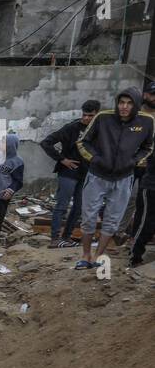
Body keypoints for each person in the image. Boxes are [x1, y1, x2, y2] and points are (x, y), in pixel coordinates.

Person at [74, 86, 155, 270]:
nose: (124, 107)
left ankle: (99, 255)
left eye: (128, 103)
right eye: (121, 102)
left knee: (113, 219)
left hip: (124, 178)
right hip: (97, 175)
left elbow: (148, 147)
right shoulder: (103, 118)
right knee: (88, 217)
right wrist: (95, 159)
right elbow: (83, 142)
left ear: (135, 105)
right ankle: (85, 255)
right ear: (117, 103)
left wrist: (133, 162)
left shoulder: (146, 121)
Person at [40, 99, 100, 248]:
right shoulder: (72, 128)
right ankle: (55, 238)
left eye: (90, 115)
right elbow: (46, 142)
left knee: (79, 207)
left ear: (97, 115)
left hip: (87, 174)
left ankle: (66, 237)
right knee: (62, 205)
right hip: (68, 172)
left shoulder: (100, 129)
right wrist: (62, 160)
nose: (86, 118)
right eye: (84, 115)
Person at [127, 82, 155, 266]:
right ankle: (134, 252)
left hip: (148, 171)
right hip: (144, 174)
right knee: (144, 217)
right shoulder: (137, 117)